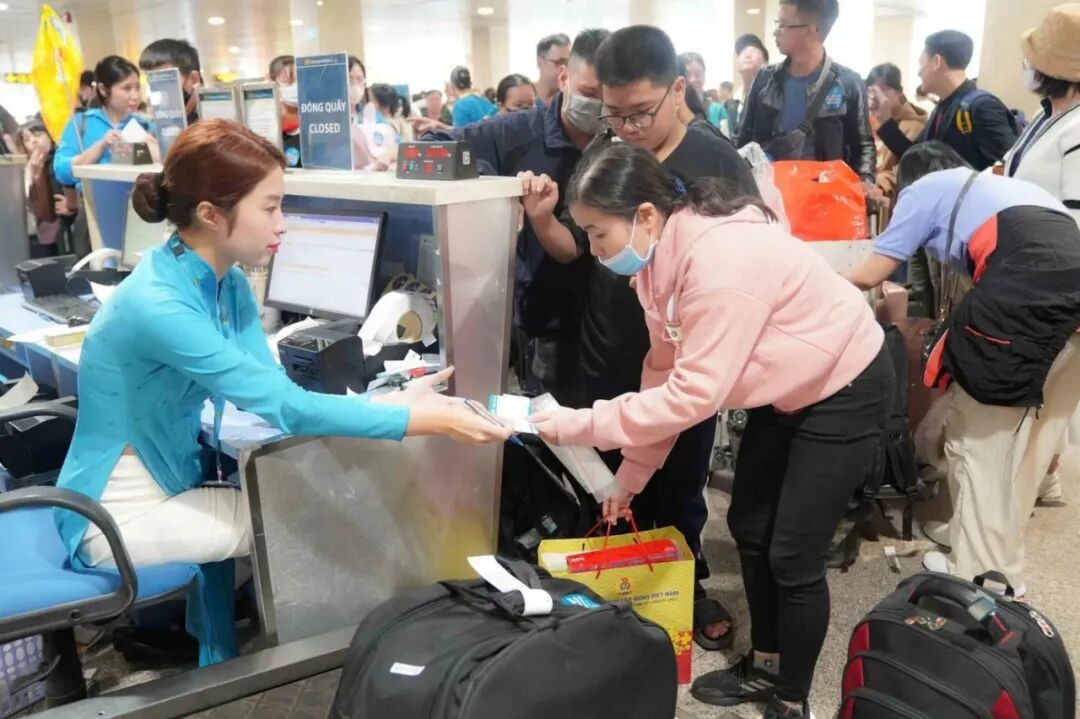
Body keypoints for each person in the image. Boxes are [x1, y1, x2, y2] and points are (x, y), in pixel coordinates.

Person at [54, 119, 512, 666]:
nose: (283, 223)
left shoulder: (220, 280)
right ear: (211, 214)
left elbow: (272, 388)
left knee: (292, 503)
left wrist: (389, 400)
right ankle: (330, 663)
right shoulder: (161, 304)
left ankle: (240, 656)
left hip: (169, 477)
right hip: (113, 514)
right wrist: (416, 417)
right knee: (301, 520)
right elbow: (286, 409)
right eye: (270, 207)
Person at [530, 142, 891, 719]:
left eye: (598, 233)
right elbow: (662, 372)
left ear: (645, 214)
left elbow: (692, 397)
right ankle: (767, 661)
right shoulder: (657, 266)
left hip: (844, 383)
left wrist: (581, 424)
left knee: (793, 553)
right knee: (750, 525)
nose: (594, 250)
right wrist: (630, 477)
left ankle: (792, 697)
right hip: (785, 385)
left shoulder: (718, 265)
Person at [587, 23, 759, 653]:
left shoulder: (716, 162)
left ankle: (686, 587)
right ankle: (620, 591)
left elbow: (747, 264)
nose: (627, 128)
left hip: (684, 352)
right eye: (613, 114)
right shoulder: (607, 152)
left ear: (678, 90)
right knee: (611, 474)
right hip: (609, 342)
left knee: (680, 475)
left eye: (640, 112)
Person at [845, 142, 1080, 597]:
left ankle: (983, 576)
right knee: (1034, 438)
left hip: (1024, 305)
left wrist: (806, 282)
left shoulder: (924, 188)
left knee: (978, 444)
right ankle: (992, 546)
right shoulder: (1004, 187)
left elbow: (870, 273)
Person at [423, 29, 611, 405]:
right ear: (563, 77)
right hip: (549, 322)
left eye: (609, 98)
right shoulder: (515, 132)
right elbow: (434, 149)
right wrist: (495, 191)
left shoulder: (619, 139)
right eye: (589, 93)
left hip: (613, 322)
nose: (598, 105)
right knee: (551, 424)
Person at [1002, 3, 1080, 503]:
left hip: (1054, 279)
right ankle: (1042, 479)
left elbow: (1075, 218)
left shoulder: (1078, 130)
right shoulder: (1047, 116)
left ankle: (1021, 496)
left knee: (1045, 395)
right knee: (1043, 393)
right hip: (1027, 268)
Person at [739, 0, 878, 199]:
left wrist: (865, 181)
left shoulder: (848, 84)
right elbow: (743, 139)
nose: (775, 32)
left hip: (826, 200)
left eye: (782, 24)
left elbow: (863, 145)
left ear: (810, 30)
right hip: (770, 198)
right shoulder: (765, 80)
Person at [872, 30, 1019, 172]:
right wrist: (885, 121)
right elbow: (915, 157)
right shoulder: (941, 108)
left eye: (921, 64)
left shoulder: (981, 107)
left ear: (937, 62)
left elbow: (1007, 169)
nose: (919, 73)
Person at [53, 56, 159, 192]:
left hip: (138, 200)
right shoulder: (81, 123)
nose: (135, 96)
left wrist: (155, 151)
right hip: (94, 201)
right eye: (126, 88)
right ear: (103, 90)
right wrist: (101, 146)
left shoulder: (145, 125)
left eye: (137, 88)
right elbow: (62, 172)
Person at [865, 63, 928, 201]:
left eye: (884, 89)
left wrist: (878, 181)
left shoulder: (914, 127)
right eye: (872, 90)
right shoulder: (868, 121)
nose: (877, 95)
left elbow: (909, 171)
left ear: (900, 92)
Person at [18, 119, 74, 254]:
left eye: (37, 135)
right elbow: (43, 212)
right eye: (27, 140)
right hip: (49, 234)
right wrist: (36, 176)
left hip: (71, 227)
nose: (33, 141)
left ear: (50, 135)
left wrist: (73, 204)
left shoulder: (63, 159)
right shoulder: (28, 169)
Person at [138, 38, 202, 124]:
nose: (158, 89)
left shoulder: (211, 124)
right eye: (151, 80)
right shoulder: (155, 124)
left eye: (165, 80)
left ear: (193, 80)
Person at [734, 33, 770, 134]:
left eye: (753, 49)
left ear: (766, 63)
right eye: (742, 51)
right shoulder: (731, 104)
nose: (747, 54)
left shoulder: (774, 98)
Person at [535, 33, 571, 106]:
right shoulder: (523, 98)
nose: (565, 70)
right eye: (560, 62)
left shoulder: (570, 100)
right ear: (540, 62)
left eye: (569, 63)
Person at [348, 56, 379, 124]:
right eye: (349, 80)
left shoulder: (367, 111)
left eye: (360, 79)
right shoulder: (332, 114)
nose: (355, 85)